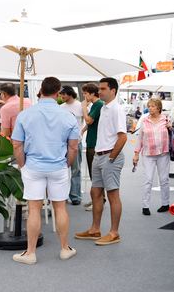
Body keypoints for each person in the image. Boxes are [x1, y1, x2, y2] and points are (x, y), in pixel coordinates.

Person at [11, 77, 79, 265]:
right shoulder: (68, 116)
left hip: (33, 167)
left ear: (40, 90)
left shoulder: (25, 114)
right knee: (60, 207)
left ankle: (30, 253)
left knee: (34, 208)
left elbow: (17, 144)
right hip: (58, 167)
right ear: (58, 93)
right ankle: (65, 249)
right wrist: (67, 164)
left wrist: (23, 164)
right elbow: (73, 147)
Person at [75, 77, 127, 246]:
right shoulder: (104, 108)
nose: (99, 91)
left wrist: (111, 157)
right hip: (99, 155)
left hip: (109, 156)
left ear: (113, 90)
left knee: (113, 195)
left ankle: (114, 233)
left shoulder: (116, 109)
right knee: (95, 193)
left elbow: (123, 137)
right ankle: (95, 229)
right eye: (99, 88)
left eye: (103, 88)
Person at [133, 99, 172, 215]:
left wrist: (171, 128)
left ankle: (165, 203)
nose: (150, 108)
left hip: (163, 153)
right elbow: (139, 138)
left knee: (164, 179)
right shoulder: (144, 120)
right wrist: (136, 154)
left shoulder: (166, 119)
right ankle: (145, 206)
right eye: (149, 106)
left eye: (153, 106)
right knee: (148, 180)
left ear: (159, 108)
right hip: (148, 154)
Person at [80, 83, 104, 211]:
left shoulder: (98, 104)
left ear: (92, 93)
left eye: (85, 93)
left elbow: (89, 120)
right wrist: (83, 129)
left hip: (94, 143)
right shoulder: (97, 105)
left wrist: (84, 108)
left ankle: (98, 201)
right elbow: (91, 123)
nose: (84, 96)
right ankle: (99, 199)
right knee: (94, 174)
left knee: (94, 174)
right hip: (93, 141)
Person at [60, 86, 84, 206]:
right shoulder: (60, 108)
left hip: (76, 142)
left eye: (63, 94)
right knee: (61, 170)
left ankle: (75, 196)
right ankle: (61, 196)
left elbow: (89, 121)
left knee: (76, 170)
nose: (62, 96)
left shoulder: (80, 106)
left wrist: (82, 132)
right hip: (62, 143)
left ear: (70, 94)